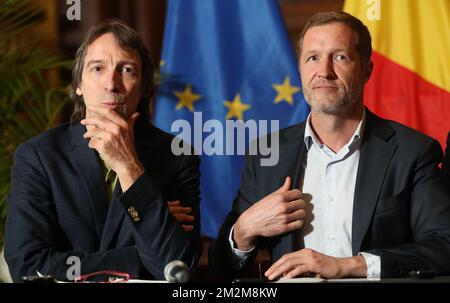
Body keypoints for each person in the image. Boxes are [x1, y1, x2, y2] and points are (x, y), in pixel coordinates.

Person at [209, 11, 450, 281]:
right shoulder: (267, 153)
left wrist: (348, 265)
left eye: (340, 57)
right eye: (312, 58)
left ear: (366, 70)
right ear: (300, 69)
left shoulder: (412, 151)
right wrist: (243, 230)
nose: (324, 71)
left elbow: (443, 246)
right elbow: (221, 269)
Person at [5, 20, 201, 282]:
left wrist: (129, 167)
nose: (111, 83)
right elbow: (28, 266)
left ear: (144, 88)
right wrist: (136, 254)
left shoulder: (178, 156)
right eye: (97, 68)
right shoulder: (38, 156)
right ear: (79, 84)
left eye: (127, 70)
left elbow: (178, 267)